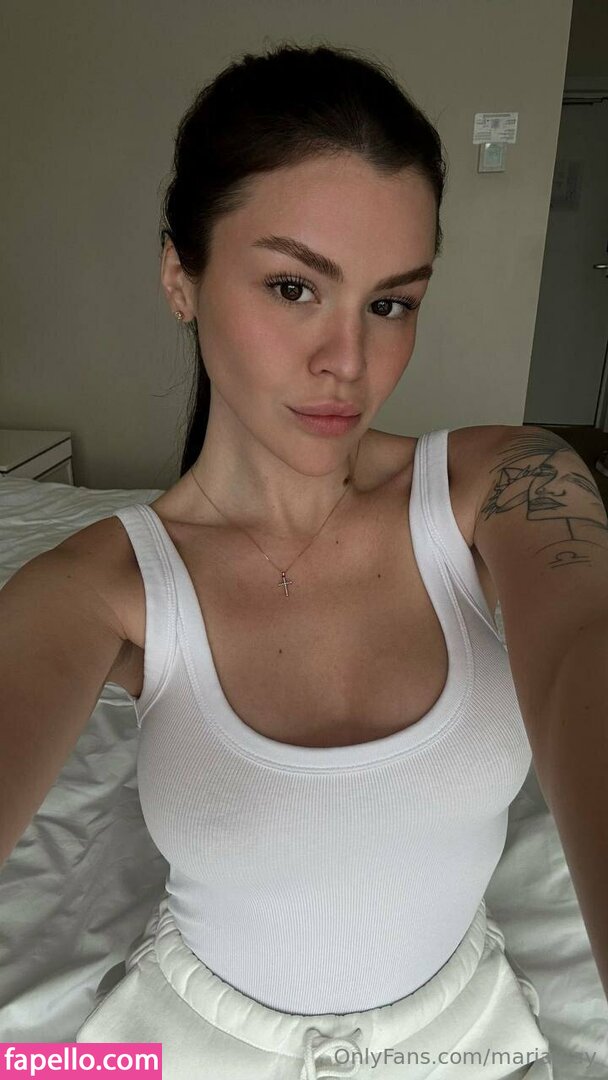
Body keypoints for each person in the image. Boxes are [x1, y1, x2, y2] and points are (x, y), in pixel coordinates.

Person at [70, 42, 553, 1077]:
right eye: (293, 287)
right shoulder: (101, 584)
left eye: (390, 303)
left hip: (461, 1043)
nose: (348, 361)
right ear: (180, 277)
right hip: (185, 1042)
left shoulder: (506, 480)